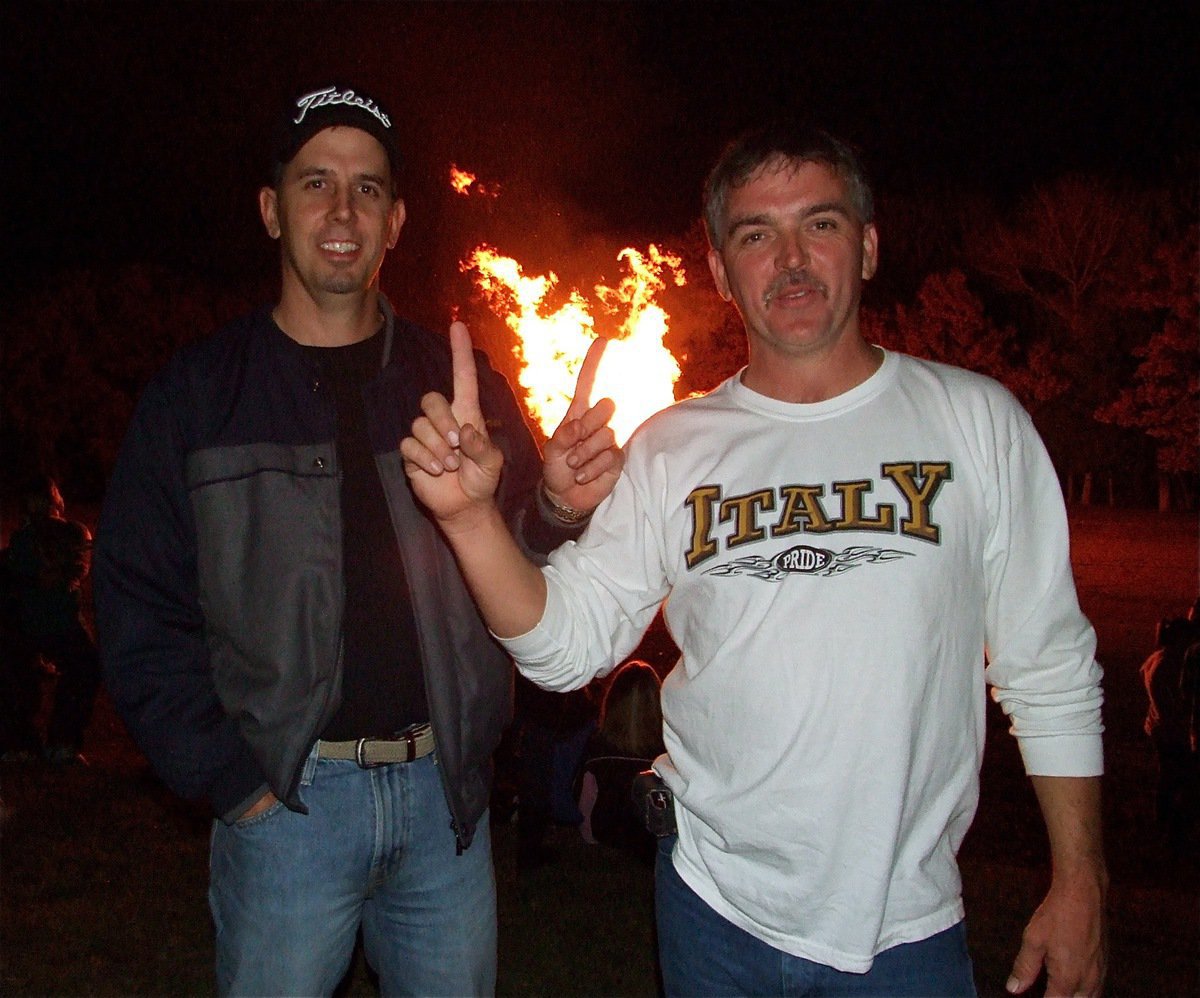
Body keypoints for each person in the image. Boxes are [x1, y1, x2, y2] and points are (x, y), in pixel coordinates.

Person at [400, 124, 1108, 996]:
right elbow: (565, 649)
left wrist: (1081, 878)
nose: (792, 259)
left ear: (869, 245)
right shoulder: (672, 446)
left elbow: (1049, 666)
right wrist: (472, 521)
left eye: (821, 224)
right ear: (719, 269)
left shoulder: (976, 422)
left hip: (906, 930)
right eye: (756, 234)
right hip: (713, 916)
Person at [93, 82, 621, 997]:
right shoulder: (199, 397)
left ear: (396, 221)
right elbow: (137, 606)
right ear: (271, 210)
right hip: (287, 808)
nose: (343, 211)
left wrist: (560, 507)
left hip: (444, 803)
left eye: (368, 188)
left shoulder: (457, 382)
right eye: (316, 183)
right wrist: (233, 781)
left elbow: (522, 563)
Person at [0, 475, 100, 764]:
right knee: (14, 672)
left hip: (58, 622)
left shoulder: (71, 532)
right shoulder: (23, 540)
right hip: (27, 623)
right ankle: (21, 743)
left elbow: (73, 567)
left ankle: (60, 742)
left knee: (83, 667)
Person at [577, 659, 665, 863]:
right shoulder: (666, 754)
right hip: (650, 839)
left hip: (604, 833)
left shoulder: (597, 748)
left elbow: (585, 801)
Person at [1140, 600, 1199, 848]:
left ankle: (1164, 825)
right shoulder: (1170, 663)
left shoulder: (1157, 660)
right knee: (1180, 780)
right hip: (1171, 732)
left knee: (1169, 778)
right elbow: (1177, 703)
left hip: (1161, 728)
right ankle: (1172, 830)